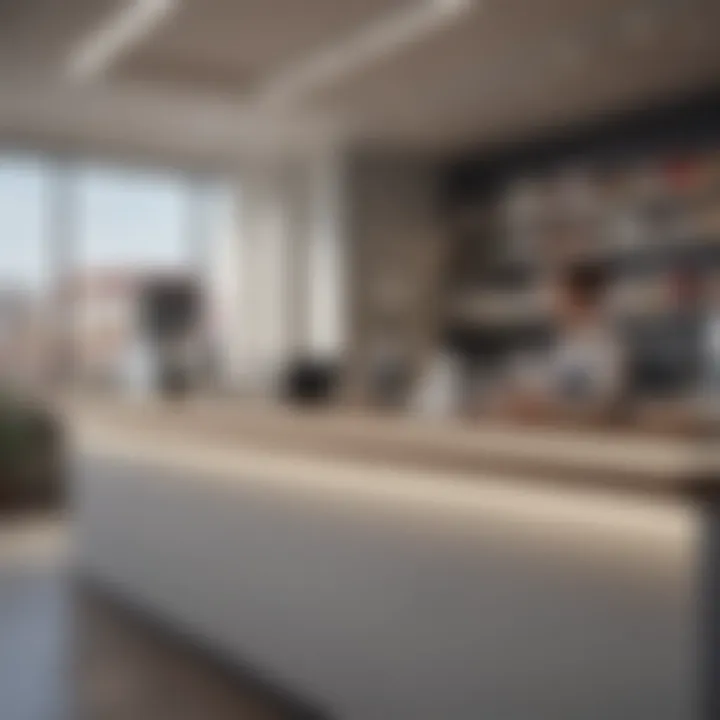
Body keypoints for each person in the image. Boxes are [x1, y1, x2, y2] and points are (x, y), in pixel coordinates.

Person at [497, 260, 625, 424]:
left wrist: (540, 406)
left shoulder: (604, 350)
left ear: (577, 297)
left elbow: (597, 409)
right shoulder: (564, 343)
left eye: (558, 294)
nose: (552, 303)